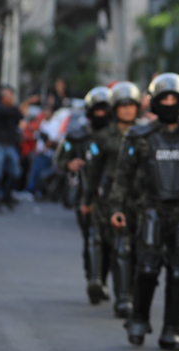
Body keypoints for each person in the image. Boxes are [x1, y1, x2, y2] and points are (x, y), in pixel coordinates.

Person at [108, 73, 179, 351]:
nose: (169, 102)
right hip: (151, 210)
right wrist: (117, 208)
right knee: (146, 269)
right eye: (163, 98)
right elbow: (122, 175)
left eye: (174, 98)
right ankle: (138, 318)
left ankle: (172, 329)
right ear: (154, 102)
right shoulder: (140, 136)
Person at [85, 81, 143, 318]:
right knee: (113, 244)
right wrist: (87, 199)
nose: (128, 110)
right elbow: (92, 170)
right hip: (109, 196)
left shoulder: (145, 134)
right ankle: (119, 295)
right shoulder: (101, 137)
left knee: (137, 250)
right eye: (123, 105)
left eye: (131, 105)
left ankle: (130, 292)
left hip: (139, 197)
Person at [56, 86, 114, 303]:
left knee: (109, 241)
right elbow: (60, 159)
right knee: (91, 237)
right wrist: (70, 163)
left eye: (104, 109)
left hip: (113, 195)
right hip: (85, 194)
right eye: (97, 110)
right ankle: (93, 279)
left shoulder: (118, 136)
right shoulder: (78, 136)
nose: (101, 114)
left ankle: (103, 280)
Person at [0, 87, 38, 211]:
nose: (12, 99)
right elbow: (13, 113)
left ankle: (6, 196)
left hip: (9, 145)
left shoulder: (11, 110)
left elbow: (19, 116)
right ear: (3, 98)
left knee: (16, 171)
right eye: (10, 97)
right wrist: (27, 102)